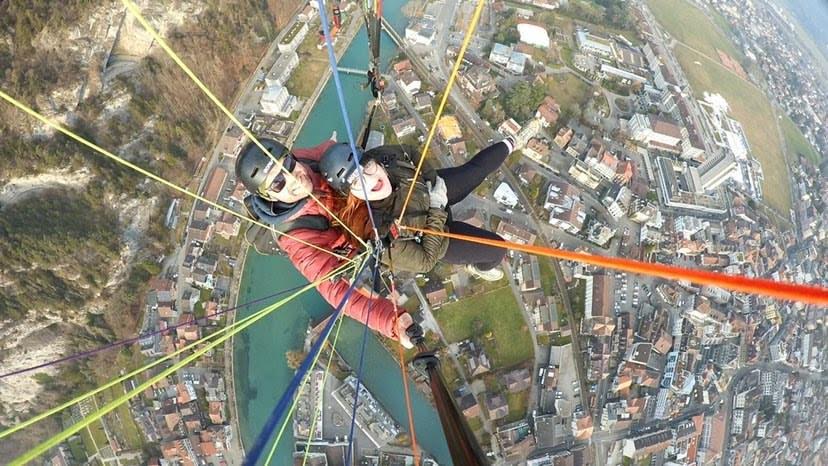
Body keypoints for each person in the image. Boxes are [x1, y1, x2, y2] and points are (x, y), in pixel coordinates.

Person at [234, 136, 417, 347]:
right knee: (432, 252)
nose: (294, 179)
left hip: (365, 209)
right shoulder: (296, 238)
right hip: (360, 242)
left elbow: (329, 151)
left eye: (288, 164)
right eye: (278, 183)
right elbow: (336, 290)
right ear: (269, 197)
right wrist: (392, 323)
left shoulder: (308, 161)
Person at [319, 139, 516, 279]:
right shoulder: (376, 233)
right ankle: (477, 267)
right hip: (437, 240)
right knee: (498, 250)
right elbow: (426, 262)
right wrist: (437, 207)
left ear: (372, 159)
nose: (371, 180)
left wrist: (432, 181)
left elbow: (411, 153)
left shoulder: (383, 157)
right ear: (351, 194)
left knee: (475, 171)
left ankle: (512, 142)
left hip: (426, 192)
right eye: (356, 181)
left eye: (367, 165)